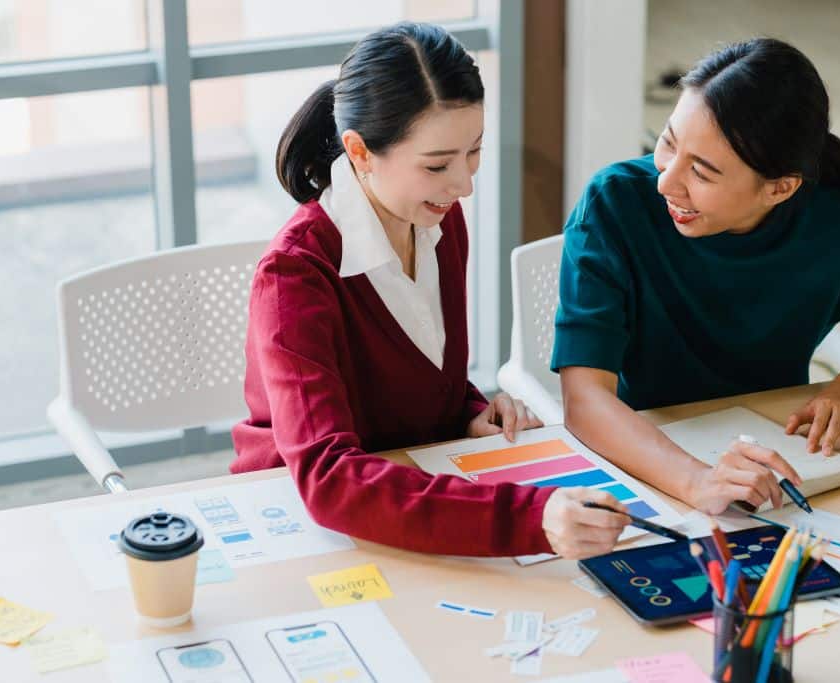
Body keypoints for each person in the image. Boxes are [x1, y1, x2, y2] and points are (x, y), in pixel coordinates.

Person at [232, 22, 629, 559]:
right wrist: (529, 518)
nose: (464, 184)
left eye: (474, 152)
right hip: (304, 524)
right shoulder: (295, 276)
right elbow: (328, 477)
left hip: (411, 485)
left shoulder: (437, 219)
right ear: (361, 152)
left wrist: (465, 410)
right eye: (438, 164)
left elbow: (416, 368)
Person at [554, 38, 840, 515]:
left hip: (776, 448)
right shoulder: (614, 204)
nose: (666, 182)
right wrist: (698, 482)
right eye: (668, 142)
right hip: (644, 455)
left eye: (701, 172)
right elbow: (585, 398)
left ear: (779, 188)